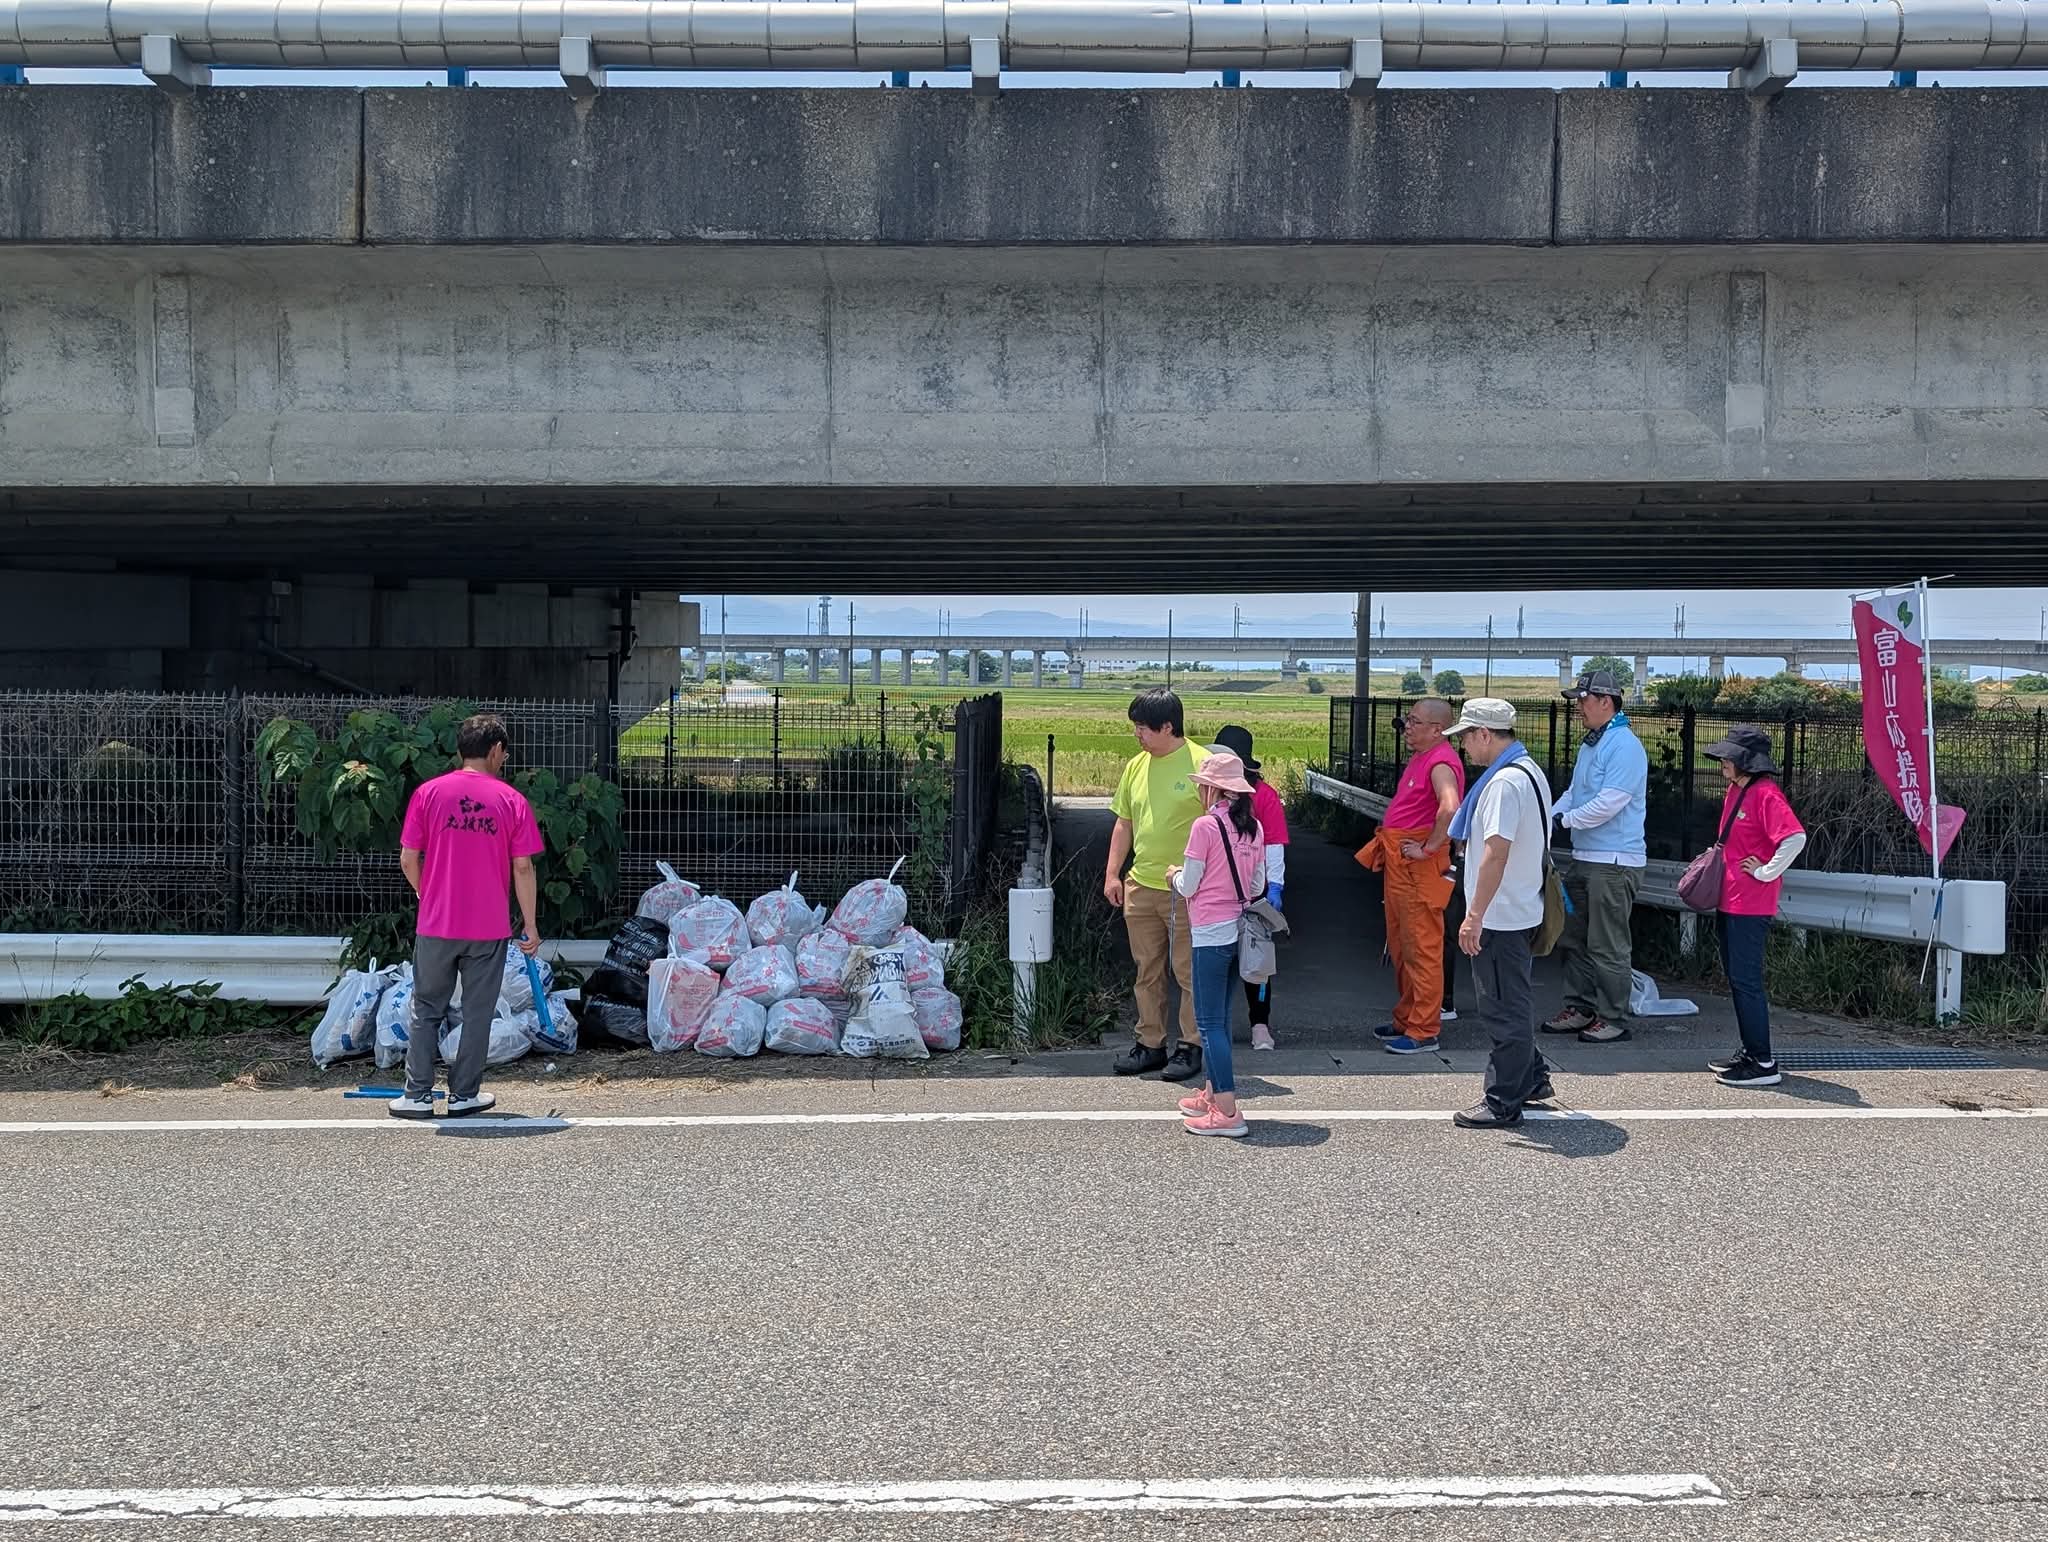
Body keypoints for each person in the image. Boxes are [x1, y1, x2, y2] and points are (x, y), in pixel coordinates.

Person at [390, 713, 544, 1120]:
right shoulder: (511, 800)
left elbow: (408, 857)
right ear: (496, 751)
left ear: (460, 750)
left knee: (426, 1007)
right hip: (488, 926)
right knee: (478, 1013)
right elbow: (524, 868)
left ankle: (417, 1095)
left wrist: (428, 894)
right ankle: (463, 1094)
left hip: (437, 923)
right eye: (504, 754)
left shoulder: (428, 793)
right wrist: (529, 924)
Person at [1442, 699, 1558, 1129]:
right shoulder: (1528, 771)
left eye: (1467, 737)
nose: (1465, 747)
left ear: (1485, 735)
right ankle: (1532, 1077)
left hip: (1501, 915)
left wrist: (1473, 916)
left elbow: (1495, 852)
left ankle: (1503, 1101)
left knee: (1502, 1009)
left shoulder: (1504, 784)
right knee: (1513, 999)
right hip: (1518, 907)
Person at [1106, 689, 1211, 1082]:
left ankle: (1191, 1046)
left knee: (1187, 972)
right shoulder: (1136, 766)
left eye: (1143, 728)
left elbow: (1220, 828)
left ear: (1168, 727)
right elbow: (1124, 822)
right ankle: (1150, 1043)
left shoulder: (1202, 765)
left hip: (1186, 889)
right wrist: (1113, 873)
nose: (1138, 735)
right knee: (1146, 970)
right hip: (1141, 884)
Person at [1544, 668, 1649, 1045]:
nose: (1578, 708)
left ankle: (1613, 1016)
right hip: (1586, 855)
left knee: (1607, 944)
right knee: (1573, 937)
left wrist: (1564, 819)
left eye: (1583, 700)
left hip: (1615, 860)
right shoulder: (1593, 743)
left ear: (1606, 701)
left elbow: (1611, 802)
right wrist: (1551, 817)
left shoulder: (1625, 745)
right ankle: (1580, 1006)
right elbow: (1576, 791)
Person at [1165, 751, 1267, 1138]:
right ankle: (1211, 1092)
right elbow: (1257, 887)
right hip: (1239, 930)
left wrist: (1173, 874)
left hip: (1209, 933)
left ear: (1212, 789)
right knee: (1220, 1018)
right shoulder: (1254, 828)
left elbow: (1188, 885)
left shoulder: (1204, 827)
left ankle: (1226, 1110)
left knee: (1208, 1023)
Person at [1356, 699, 1465, 1054]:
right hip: (1403, 863)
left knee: (1422, 948)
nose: (1407, 727)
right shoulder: (1424, 757)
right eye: (1408, 721)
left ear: (1438, 729)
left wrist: (1429, 848)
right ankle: (1406, 1018)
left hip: (1417, 866)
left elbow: (1450, 808)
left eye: (1416, 722)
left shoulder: (1442, 762)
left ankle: (1423, 1029)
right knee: (1402, 945)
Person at [1702, 725, 1807, 1089]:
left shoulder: (1765, 794)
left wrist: (1765, 872)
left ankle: (1762, 1060)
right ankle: (1752, 1053)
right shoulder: (1738, 790)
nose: (1722, 763)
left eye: (1729, 757)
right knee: (1737, 979)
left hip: (1751, 902)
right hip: (1732, 898)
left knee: (1746, 981)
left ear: (1745, 761)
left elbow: (1795, 837)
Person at [1213, 724, 1289, 1051]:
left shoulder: (1265, 797)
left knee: (1256, 962)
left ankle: (1260, 1025)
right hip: (1215, 893)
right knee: (1216, 961)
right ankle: (1215, 1028)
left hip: (1254, 895)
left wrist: (1276, 887)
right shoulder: (1208, 793)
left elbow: (1274, 846)